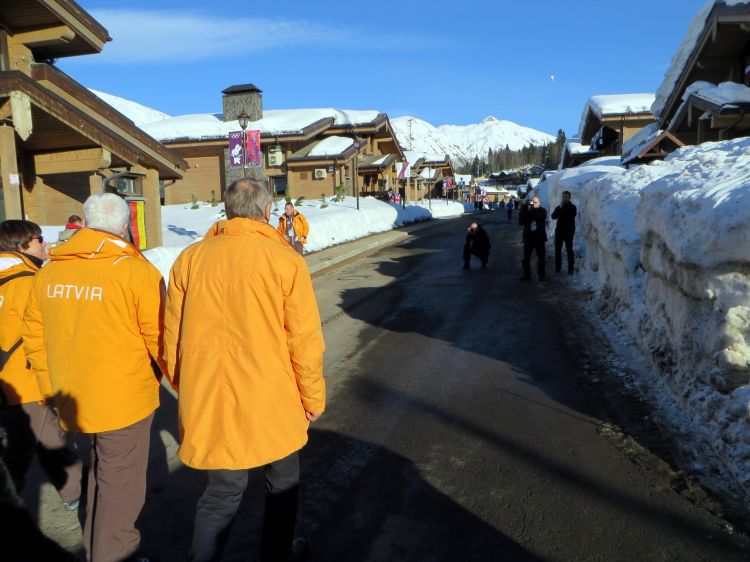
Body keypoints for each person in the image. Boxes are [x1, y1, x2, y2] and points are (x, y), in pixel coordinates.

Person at [165, 179, 326, 562]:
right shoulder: (285, 260)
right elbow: (304, 338)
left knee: (222, 492)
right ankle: (276, 554)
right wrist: (313, 398)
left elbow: (171, 335)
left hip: (211, 394)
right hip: (273, 395)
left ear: (228, 209)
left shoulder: (190, 258)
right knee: (282, 481)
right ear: (267, 212)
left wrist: (184, 385)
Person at [23, 193, 166, 562]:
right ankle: (113, 553)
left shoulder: (49, 272)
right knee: (121, 485)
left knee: (103, 472)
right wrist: (182, 382)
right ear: (124, 228)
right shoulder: (136, 272)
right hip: (124, 401)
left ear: (84, 225)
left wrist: (49, 389)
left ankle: (97, 547)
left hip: (72, 396)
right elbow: (160, 339)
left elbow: (34, 338)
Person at [0, 220, 82, 510]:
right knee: (29, 451)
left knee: (39, 443)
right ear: (21, 245)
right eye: (38, 239)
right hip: (24, 382)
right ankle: (75, 494)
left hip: (7, 382)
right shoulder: (27, 282)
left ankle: (73, 491)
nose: (44, 243)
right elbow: (50, 332)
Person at [519, 195, 548, 281]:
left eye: (536, 202)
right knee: (526, 258)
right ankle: (526, 274)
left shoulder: (542, 211)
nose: (534, 204)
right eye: (532, 202)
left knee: (541, 257)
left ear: (539, 202)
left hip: (539, 238)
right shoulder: (527, 211)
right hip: (528, 238)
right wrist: (523, 211)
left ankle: (541, 274)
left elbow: (541, 217)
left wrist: (531, 211)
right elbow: (521, 222)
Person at [551, 190, 577, 274]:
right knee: (557, 250)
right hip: (559, 232)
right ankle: (558, 267)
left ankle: (570, 269)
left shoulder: (573, 207)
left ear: (569, 197)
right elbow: (553, 216)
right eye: (563, 197)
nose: (564, 198)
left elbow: (570, 216)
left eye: (565, 197)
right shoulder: (559, 207)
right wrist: (560, 208)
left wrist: (562, 208)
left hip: (568, 232)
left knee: (569, 250)